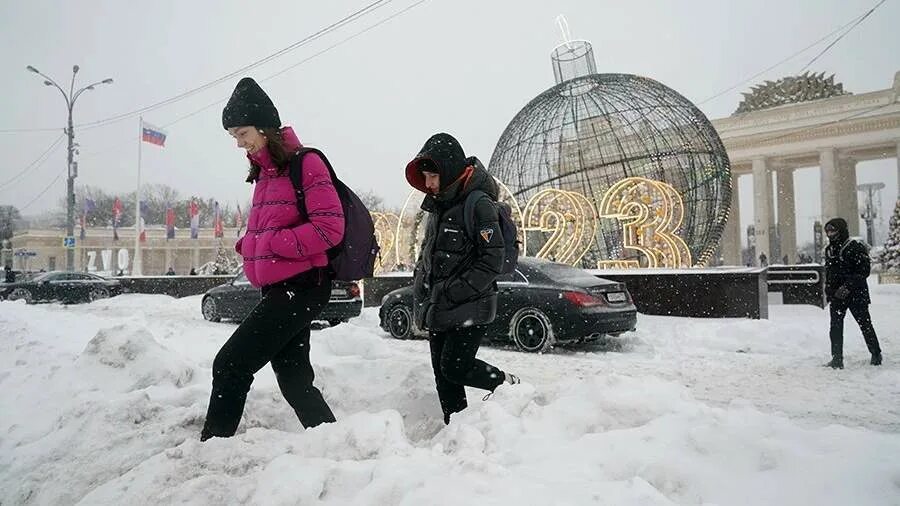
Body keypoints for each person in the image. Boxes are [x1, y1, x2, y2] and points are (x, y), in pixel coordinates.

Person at [200, 77, 345, 441]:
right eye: (233, 135)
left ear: (266, 127)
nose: (239, 143)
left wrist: (275, 242)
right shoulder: (265, 175)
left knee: (231, 364)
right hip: (279, 288)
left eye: (243, 132)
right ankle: (332, 442)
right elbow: (270, 230)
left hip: (302, 287)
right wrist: (251, 245)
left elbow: (330, 228)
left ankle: (213, 447)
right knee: (295, 380)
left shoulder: (306, 163)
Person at [406, 133, 520, 425]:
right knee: (443, 377)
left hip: (471, 303)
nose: (429, 184)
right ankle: (455, 430)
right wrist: (424, 287)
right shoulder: (438, 206)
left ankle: (510, 386)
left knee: (456, 368)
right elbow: (429, 253)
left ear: (448, 170)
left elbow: (492, 258)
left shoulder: (477, 203)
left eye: (433, 176)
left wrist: (456, 291)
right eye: (426, 177)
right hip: (439, 303)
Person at [823, 217, 882, 369]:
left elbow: (863, 270)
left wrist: (848, 286)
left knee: (865, 324)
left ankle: (876, 353)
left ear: (841, 230)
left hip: (856, 295)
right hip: (837, 296)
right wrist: (829, 290)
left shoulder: (854, 247)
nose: (830, 234)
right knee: (835, 327)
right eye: (828, 231)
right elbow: (829, 273)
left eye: (833, 230)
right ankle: (837, 358)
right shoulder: (829, 250)